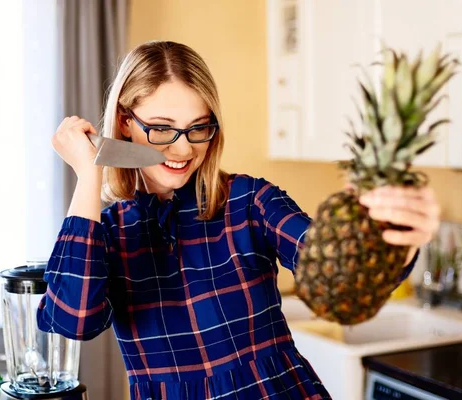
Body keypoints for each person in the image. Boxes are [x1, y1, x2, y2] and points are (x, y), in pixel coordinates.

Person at [37, 41, 440, 400]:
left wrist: (399, 240)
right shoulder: (105, 231)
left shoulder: (249, 201)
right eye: (161, 129)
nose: (183, 148)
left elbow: (340, 277)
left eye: (199, 128)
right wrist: (90, 173)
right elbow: (74, 319)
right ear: (125, 122)